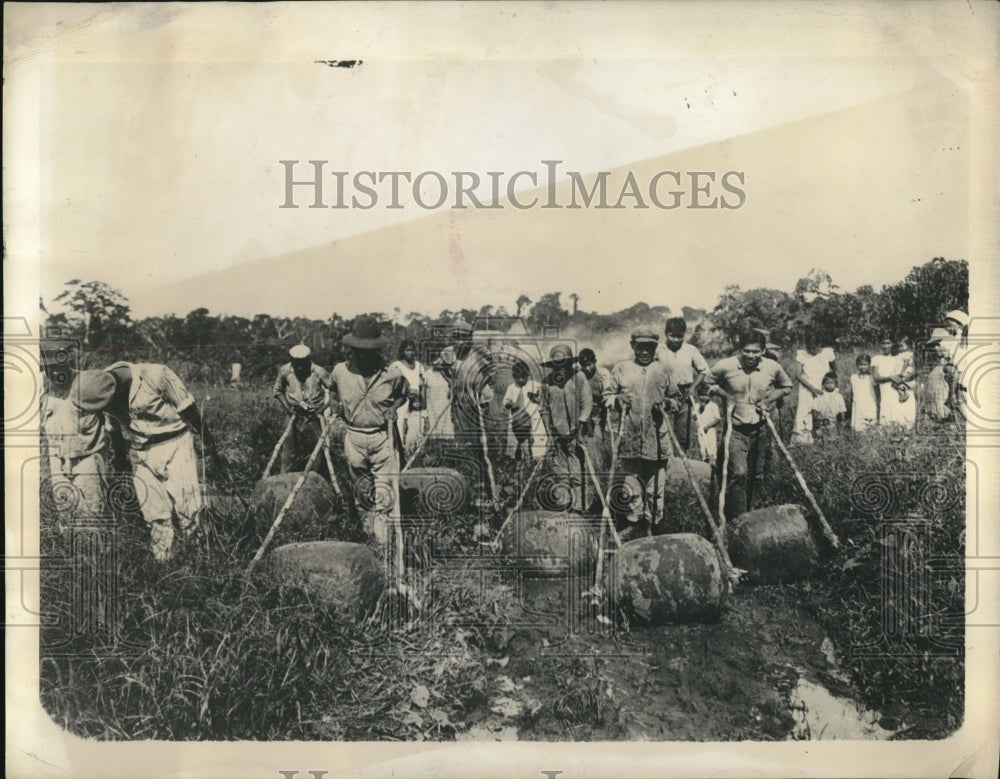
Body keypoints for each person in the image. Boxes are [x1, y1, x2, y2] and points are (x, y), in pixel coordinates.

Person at [69, 363, 216, 561]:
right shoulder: (97, 388)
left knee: (188, 507)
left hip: (175, 443)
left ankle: (201, 559)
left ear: (116, 391)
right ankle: (164, 562)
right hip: (139, 449)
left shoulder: (155, 375)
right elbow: (114, 429)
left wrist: (208, 441)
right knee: (154, 512)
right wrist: (120, 460)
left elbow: (188, 408)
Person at [330, 316, 410, 546]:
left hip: (382, 437)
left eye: (369, 350)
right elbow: (332, 391)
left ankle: (384, 543)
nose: (364, 355)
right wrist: (335, 403)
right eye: (359, 350)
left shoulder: (391, 374)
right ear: (352, 348)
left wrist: (394, 408)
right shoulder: (340, 372)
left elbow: (404, 393)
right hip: (354, 437)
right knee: (363, 491)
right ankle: (368, 538)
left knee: (384, 493)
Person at [706, 330, 793, 520]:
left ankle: (755, 516)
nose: (751, 356)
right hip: (735, 430)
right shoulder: (726, 366)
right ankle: (738, 519)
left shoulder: (772, 367)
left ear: (763, 351)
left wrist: (769, 401)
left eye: (756, 352)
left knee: (757, 475)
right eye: (747, 351)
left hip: (761, 429)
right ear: (740, 350)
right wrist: (726, 395)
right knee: (739, 473)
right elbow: (707, 382)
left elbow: (786, 386)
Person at [604, 329, 682, 538]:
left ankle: (652, 524)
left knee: (655, 487)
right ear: (633, 346)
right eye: (641, 347)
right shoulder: (621, 369)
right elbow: (607, 396)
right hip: (629, 436)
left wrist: (666, 403)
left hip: (656, 438)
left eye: (650, 347)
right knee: (631, 484)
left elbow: (676, 399)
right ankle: (633, 522)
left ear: (655, 348)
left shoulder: (664, 370)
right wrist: (618, 399)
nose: (645, 352)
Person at [43, 387, 109, 528]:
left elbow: (110, 422)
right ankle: (67, 542)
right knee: (64, 506)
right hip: (57, 456)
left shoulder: (87, 385)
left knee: (92, 508)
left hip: (85, 456)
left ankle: (95, 544)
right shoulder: (40, 391)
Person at [539, 345, 592, 513]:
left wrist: (581, 431)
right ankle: (564, 505)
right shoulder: (547, 383)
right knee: (560, 472)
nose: (560, 369)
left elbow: (586, 403)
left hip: (576, 433)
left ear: (570, 364)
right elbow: (544, 408)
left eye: (564, 365)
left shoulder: (579, 378)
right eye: (556, 365)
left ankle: (579, 508)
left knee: (577, 472)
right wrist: (549, 435)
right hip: (557, 433)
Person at [272, 344, 331, 473]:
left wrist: (322, 408)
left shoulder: (319, 372)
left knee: (317, 452)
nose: (299, 368)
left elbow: (333, 390)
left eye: (303, 364)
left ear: (309, 360)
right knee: (289, 452)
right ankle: (286, 480)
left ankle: (314, 479)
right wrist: (288, 408)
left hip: (314, 415)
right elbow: (277, 391)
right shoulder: (285, 370)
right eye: (296, 364)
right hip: (293, 413)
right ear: (291, 361)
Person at [659, 317, 710, 454]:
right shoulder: (659, 350)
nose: (675, 340)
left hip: (684, 393)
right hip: (663, 393)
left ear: (684, 335)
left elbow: (704, 370)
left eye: (679, 336)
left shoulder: (690, 350)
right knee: (661, 427)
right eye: (672, 336)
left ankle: (680, 459)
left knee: (682, 431)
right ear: (665, 334)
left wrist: (693, 388)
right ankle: (663, 458)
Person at [790, 333, 836, 444]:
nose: (811, 350)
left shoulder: (827, 353)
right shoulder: (802, 354)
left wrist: (830, 386)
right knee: (804, 411)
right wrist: (812, 388)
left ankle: (824, 438)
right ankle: (802, 439)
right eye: (808, 348)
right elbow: (797, 375)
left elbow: (834, 371)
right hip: (806, 387)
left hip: (822, 388)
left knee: (823, 412)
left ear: (819, 345)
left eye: (814, 348)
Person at [577, 347, 613, 473]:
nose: (587, 369)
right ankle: (584, 468)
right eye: (584, 366)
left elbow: (608, 393)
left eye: (589, 365)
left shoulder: (603, 374)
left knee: (598, 439)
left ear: (595, 361)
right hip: (582, 413)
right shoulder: (578, 376)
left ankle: (600, 469)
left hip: (598, 413)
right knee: (582, 441)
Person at [502, 359, 546, 463]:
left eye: (523, 377)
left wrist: (537, 399)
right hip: (516, 419)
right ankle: (516, 460)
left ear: (528, 375)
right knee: (516, 441)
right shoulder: (511, 388)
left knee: (536, 439)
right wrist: (512, 404)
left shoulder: (535, 385)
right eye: (518, 377)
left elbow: (543, 399)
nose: (521, 380)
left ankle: (537, 461)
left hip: (533, 416)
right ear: (514, 376)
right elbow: (505, 402)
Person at [871, 333, 915, 430]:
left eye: (888, 343)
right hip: (886, 390)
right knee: (887, 418)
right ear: (879, 344)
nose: (886, 346)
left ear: (893, 344)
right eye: (883, 343)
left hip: (898, 390)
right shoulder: (876, 359)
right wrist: (891, 377)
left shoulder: (897, 357)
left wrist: (903, 378)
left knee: (901, 417)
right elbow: (876, 377)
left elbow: (910, 370)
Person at [389, 339, 427, 449]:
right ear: (402, 351)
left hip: (416, 403)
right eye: (407, 350)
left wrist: (419, 395)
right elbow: (391, 386)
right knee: (401, 428)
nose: (410, 353)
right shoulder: (396, 365)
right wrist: (407, 392)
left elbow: (422, 384)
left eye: (412, 350)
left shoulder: (419, 365)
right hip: (402, 402)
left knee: (416, 431)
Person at [424, 348, 456, 439]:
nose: (438, 361)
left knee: (446, 432)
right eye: (435, 359)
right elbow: (423, 395)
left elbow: (454, 387)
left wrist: (445, 374)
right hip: (432, 408)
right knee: (433, 432)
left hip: (445, 408)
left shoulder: (447, 373)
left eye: (440, 358)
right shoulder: (427, 375)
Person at [924, 328, 955, 423]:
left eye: (938, 344)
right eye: (934, 345)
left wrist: (951, 397)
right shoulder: (935, 366)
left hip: (944, 410)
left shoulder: (950, 365)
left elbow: (953, 385)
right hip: (933, 411)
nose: (936, 348)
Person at [810, 372, 847, 442]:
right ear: (823, 384)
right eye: (827, 383)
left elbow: (842, 409)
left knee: (834, 436)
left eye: (832, 383)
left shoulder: (838, 396)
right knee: (820, 435)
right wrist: (816, 421)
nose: (829, 385)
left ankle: (833, 446)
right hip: (822, 420)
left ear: (836, 385)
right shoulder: (820, 395)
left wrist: (842, 421)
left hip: (834, 420)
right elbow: (814, 408)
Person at [848, 354, 878, 432]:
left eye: (865, 364)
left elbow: (877, 393)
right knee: (858, 426)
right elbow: (852, 393)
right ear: (857, 365)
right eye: (860, 364)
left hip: (869, 404)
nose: (862, 367)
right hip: (858, 405)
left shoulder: (872, 377)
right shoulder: (853, 377)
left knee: (869, 425)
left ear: (869, 365)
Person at [694, 385, 721, 464]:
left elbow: (717, 419)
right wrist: (700, 410)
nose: (703, 397)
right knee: (703, 448)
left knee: (711, 448)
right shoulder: (697, 406)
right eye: (701, 395)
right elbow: (694, 417)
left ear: (710, 396)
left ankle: (712, 464)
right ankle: (704, 463)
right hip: (701, 430)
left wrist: (708, 426)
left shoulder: (713, 406)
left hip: (710, 430)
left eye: (706, 395)